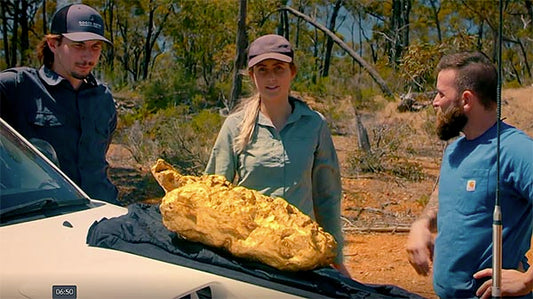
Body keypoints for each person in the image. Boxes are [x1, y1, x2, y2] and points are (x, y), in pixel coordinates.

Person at [205, 34, 349, 276]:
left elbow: (327, 197)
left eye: (279, 69)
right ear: (252, 76)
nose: (271, 78)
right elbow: (213, 192)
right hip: (249, 255)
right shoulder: (235, 126)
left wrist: (336, 256)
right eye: (262, 70)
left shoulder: (314, 125)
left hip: (301, 253)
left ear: (292, 72)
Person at [406, 52, 533, 298]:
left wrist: (527, 281)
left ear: (466, 100)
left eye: (441, 94)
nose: (435, 102)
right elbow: (446, 197)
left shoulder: (516, 149)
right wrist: (421, 224)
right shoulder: (455, 150)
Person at [0, 4, 120, 205]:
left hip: (103, 208)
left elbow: (100, 154)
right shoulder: (17, 87)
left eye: (95, 47)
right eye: (78, 45)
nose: (88, 57)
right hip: (45, 216)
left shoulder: (103, 97)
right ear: (53, 44)